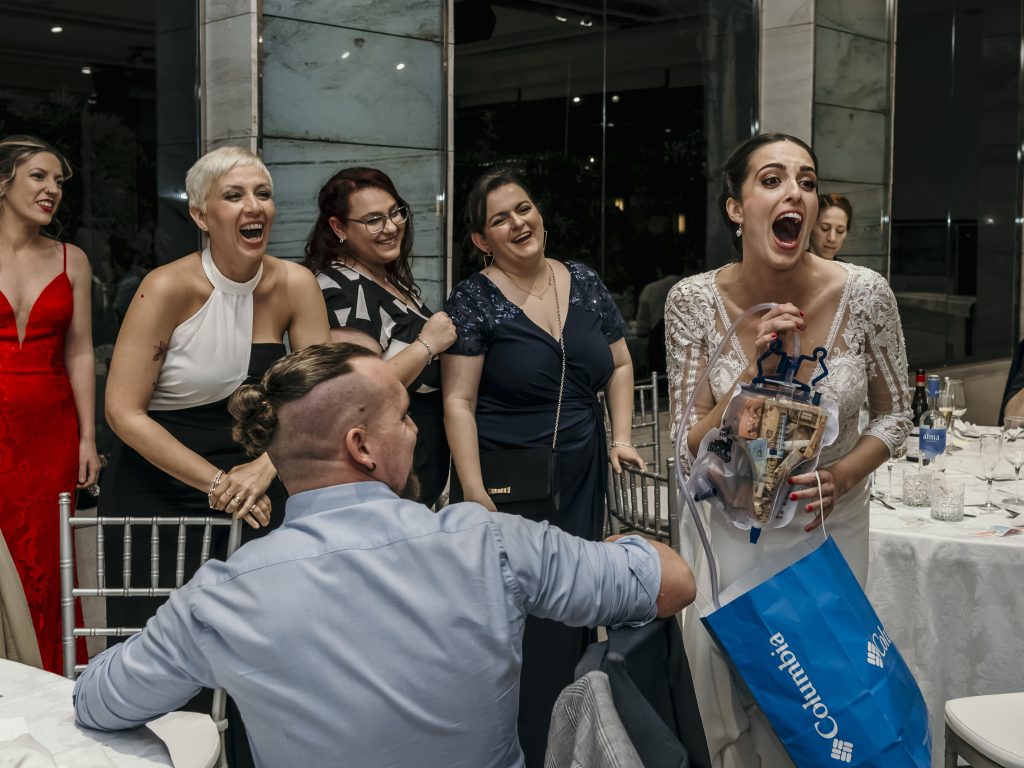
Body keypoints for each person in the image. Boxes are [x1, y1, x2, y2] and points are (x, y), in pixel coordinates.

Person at [72, 342, 696, 767]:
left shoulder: (220, 598)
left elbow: (96, 700)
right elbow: (673, 582)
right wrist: (616, 548)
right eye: (403, 417)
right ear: (361, 447)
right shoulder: (490, 542)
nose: (416, 430)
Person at [665, 133, 911, 768]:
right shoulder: (692, 301)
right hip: (729, 529)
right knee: (724, 696)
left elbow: (897, 415)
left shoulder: (866, 294)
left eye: (806, 180)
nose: (794, 192)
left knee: (819, 700)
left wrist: (844, 474)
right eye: (771, 179)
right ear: (735, 207)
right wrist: (748, 372)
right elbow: (687, 444)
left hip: (827, 529)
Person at [100, 145, 329, 765]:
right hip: (160, 483)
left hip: (259, 484)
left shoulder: (295, 284)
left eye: (262, 193)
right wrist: (218, 483)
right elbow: (123, 412)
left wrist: (265, 468)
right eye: (234, 196)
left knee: (263, 649)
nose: (254, 206)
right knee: (163, 657)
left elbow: (319, 398)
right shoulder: (166, 287)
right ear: (201, 215)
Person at [443, 169, 646, 767]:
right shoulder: (472, 298)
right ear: (481, 240)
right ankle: (514, 747)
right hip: (506, 478)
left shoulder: (582, 281)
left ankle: (570, 743)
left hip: (581, 469)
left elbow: (620, 365)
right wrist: (473, 488)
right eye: (499, 219)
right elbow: (458, 401)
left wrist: (622, 437)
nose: (518, 223)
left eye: (524, 208)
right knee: (517, 617)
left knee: (575, 603)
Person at [0, 135, 100, 673]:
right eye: (38, 176)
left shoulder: (71, 259)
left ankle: (51, 679)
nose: (52, 189)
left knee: (46, 556)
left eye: (58, 180)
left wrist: (87, 437)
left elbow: (80, 351)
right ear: (3, 181)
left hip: (51, 428)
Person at [303, 167, 455, 507]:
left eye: (395, 212)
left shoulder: (385, 278)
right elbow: (357, 391)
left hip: (417, 462)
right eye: (373, 220)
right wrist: (428, 344)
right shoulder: (340, 288)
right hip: (383, 471)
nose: (390, 227)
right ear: (339, 227)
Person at [809, 192, 852, 261]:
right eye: (825, 228)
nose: (832, 238)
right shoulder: (792, 266)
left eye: (840, 231)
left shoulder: (847, 268)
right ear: (810, 227)